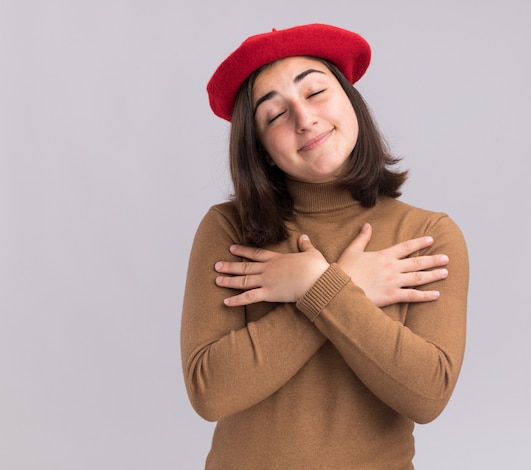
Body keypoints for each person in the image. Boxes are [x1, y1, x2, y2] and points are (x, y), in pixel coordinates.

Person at [181, 23, 469, 469]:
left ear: (350, 100)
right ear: (259, 148)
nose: (304, 118)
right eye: (274, 115)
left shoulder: (426, 234)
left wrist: (317, 284)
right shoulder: (228, 230)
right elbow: (208, 391)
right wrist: (342, 285)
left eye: (315, 92)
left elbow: (427, 394)